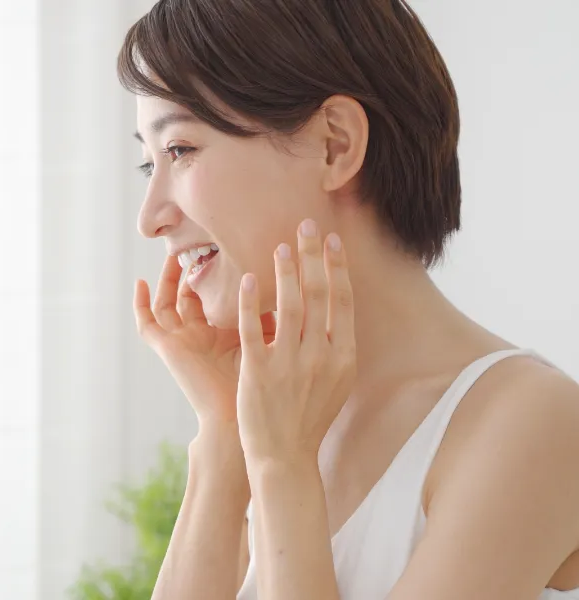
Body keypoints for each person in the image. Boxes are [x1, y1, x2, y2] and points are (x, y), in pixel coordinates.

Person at [117, 1, 579, 599]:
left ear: (334, 145)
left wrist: (283, 467)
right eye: (147, 164)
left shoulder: (533, 423)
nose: (149, 218)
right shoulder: (276, 416)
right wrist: (224, 432)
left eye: (180, 150)